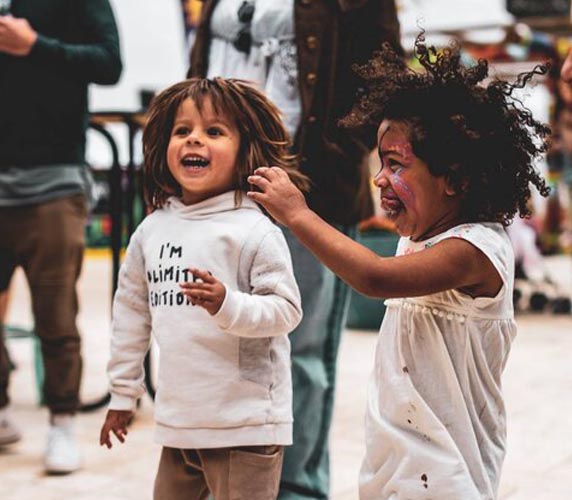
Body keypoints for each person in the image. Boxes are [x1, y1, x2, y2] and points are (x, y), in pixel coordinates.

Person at [247, 34, 550, 499]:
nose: (379, 178)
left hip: (448, 468)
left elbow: (374, 277)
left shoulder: (476, 250)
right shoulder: (422, 238)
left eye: (396, 165)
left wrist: (298, 214)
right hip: (397, 455)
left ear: (457, 179)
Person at [188, 2, 403, 497]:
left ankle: (296, 490)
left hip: (308, 186)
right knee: (211, 341)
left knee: (298, 350)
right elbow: (198, 70)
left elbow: (384, 77)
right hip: (217, 188)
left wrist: (334, 150)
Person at [99, 77, 308, 500]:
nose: (195, 139)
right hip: (179, 422)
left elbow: (286, 311)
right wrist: (123, 393)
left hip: (244, 423)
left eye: (214, 131)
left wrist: (227, 305)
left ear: (244, 150)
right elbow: (130, 316)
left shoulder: (253, 229)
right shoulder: (151, 230)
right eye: (183, 131)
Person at [0, 0, 122, 473]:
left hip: (53, 179)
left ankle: (62, 424)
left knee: (56, 315)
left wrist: (36, 47)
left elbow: (108, 64)